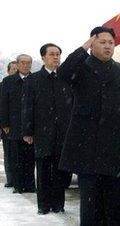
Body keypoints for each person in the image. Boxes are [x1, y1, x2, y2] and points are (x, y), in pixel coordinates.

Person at [57, 26, 120, 226]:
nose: (107, 46)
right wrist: (82, 48)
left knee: (114, 203)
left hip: (115, 145)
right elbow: (63, 73)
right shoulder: (80, 67)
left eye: (111, 43)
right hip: (88, 146)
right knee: (91, 203)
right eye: (102, 42)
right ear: (92, 44)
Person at [22, 43, 73, 215]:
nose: (56, 57)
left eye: (58, 54)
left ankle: (58, 204)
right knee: (43, 170)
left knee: (60, 171)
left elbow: (73, 105)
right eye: (51, 54)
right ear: (43, 57)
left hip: (63, 132)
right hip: (42, 132)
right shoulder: (33, 79)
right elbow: (27, 107)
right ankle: (43, 205)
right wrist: (27, 131)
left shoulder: (66, 78)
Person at [0, 54, 35, 194]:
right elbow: (3, 104)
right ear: (18, 64)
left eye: (28, 63)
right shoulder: (8, 81)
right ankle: (18, 185)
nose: (26, 65)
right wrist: (4, 123)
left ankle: (30, 185)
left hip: (31, 125)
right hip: (14, 124)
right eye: (23, 63)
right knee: (16, 157)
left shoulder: (35, 79)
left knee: (30, 157)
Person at [1, 61, 19, 188]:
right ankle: (11, 179)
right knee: (9, 154)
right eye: (13, 69)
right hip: (7, 125)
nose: (15, 71)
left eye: (16, 69)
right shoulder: (3, 85)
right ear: (8, 71)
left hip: (20, 125)